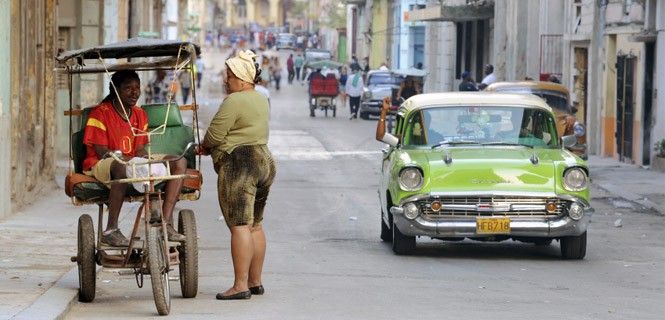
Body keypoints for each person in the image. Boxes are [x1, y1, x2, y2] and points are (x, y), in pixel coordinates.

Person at [200, 50, 276, 300]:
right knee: (255, 225)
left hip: (240, 163)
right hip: (264, 160)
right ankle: (255, 281)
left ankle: (240, 285)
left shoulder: (234, 100)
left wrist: (206, 145)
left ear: (243, 80)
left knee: (240, 226)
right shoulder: (261, 99)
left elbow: (214, 135)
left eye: (230, 76)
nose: (226, 80)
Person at [83, 70, 187, 246]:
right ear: (116, 90)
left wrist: (146, 159)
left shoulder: (139, 114)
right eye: (128, 88)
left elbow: (139, 148)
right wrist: (128, 160)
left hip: (131, 160)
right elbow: (101, 151)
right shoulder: (99, 113)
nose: (134, 93)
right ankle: (111, 230)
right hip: (102, 163)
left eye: (137, 88)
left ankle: (165, 222)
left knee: (179, 161)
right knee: (121, 166)